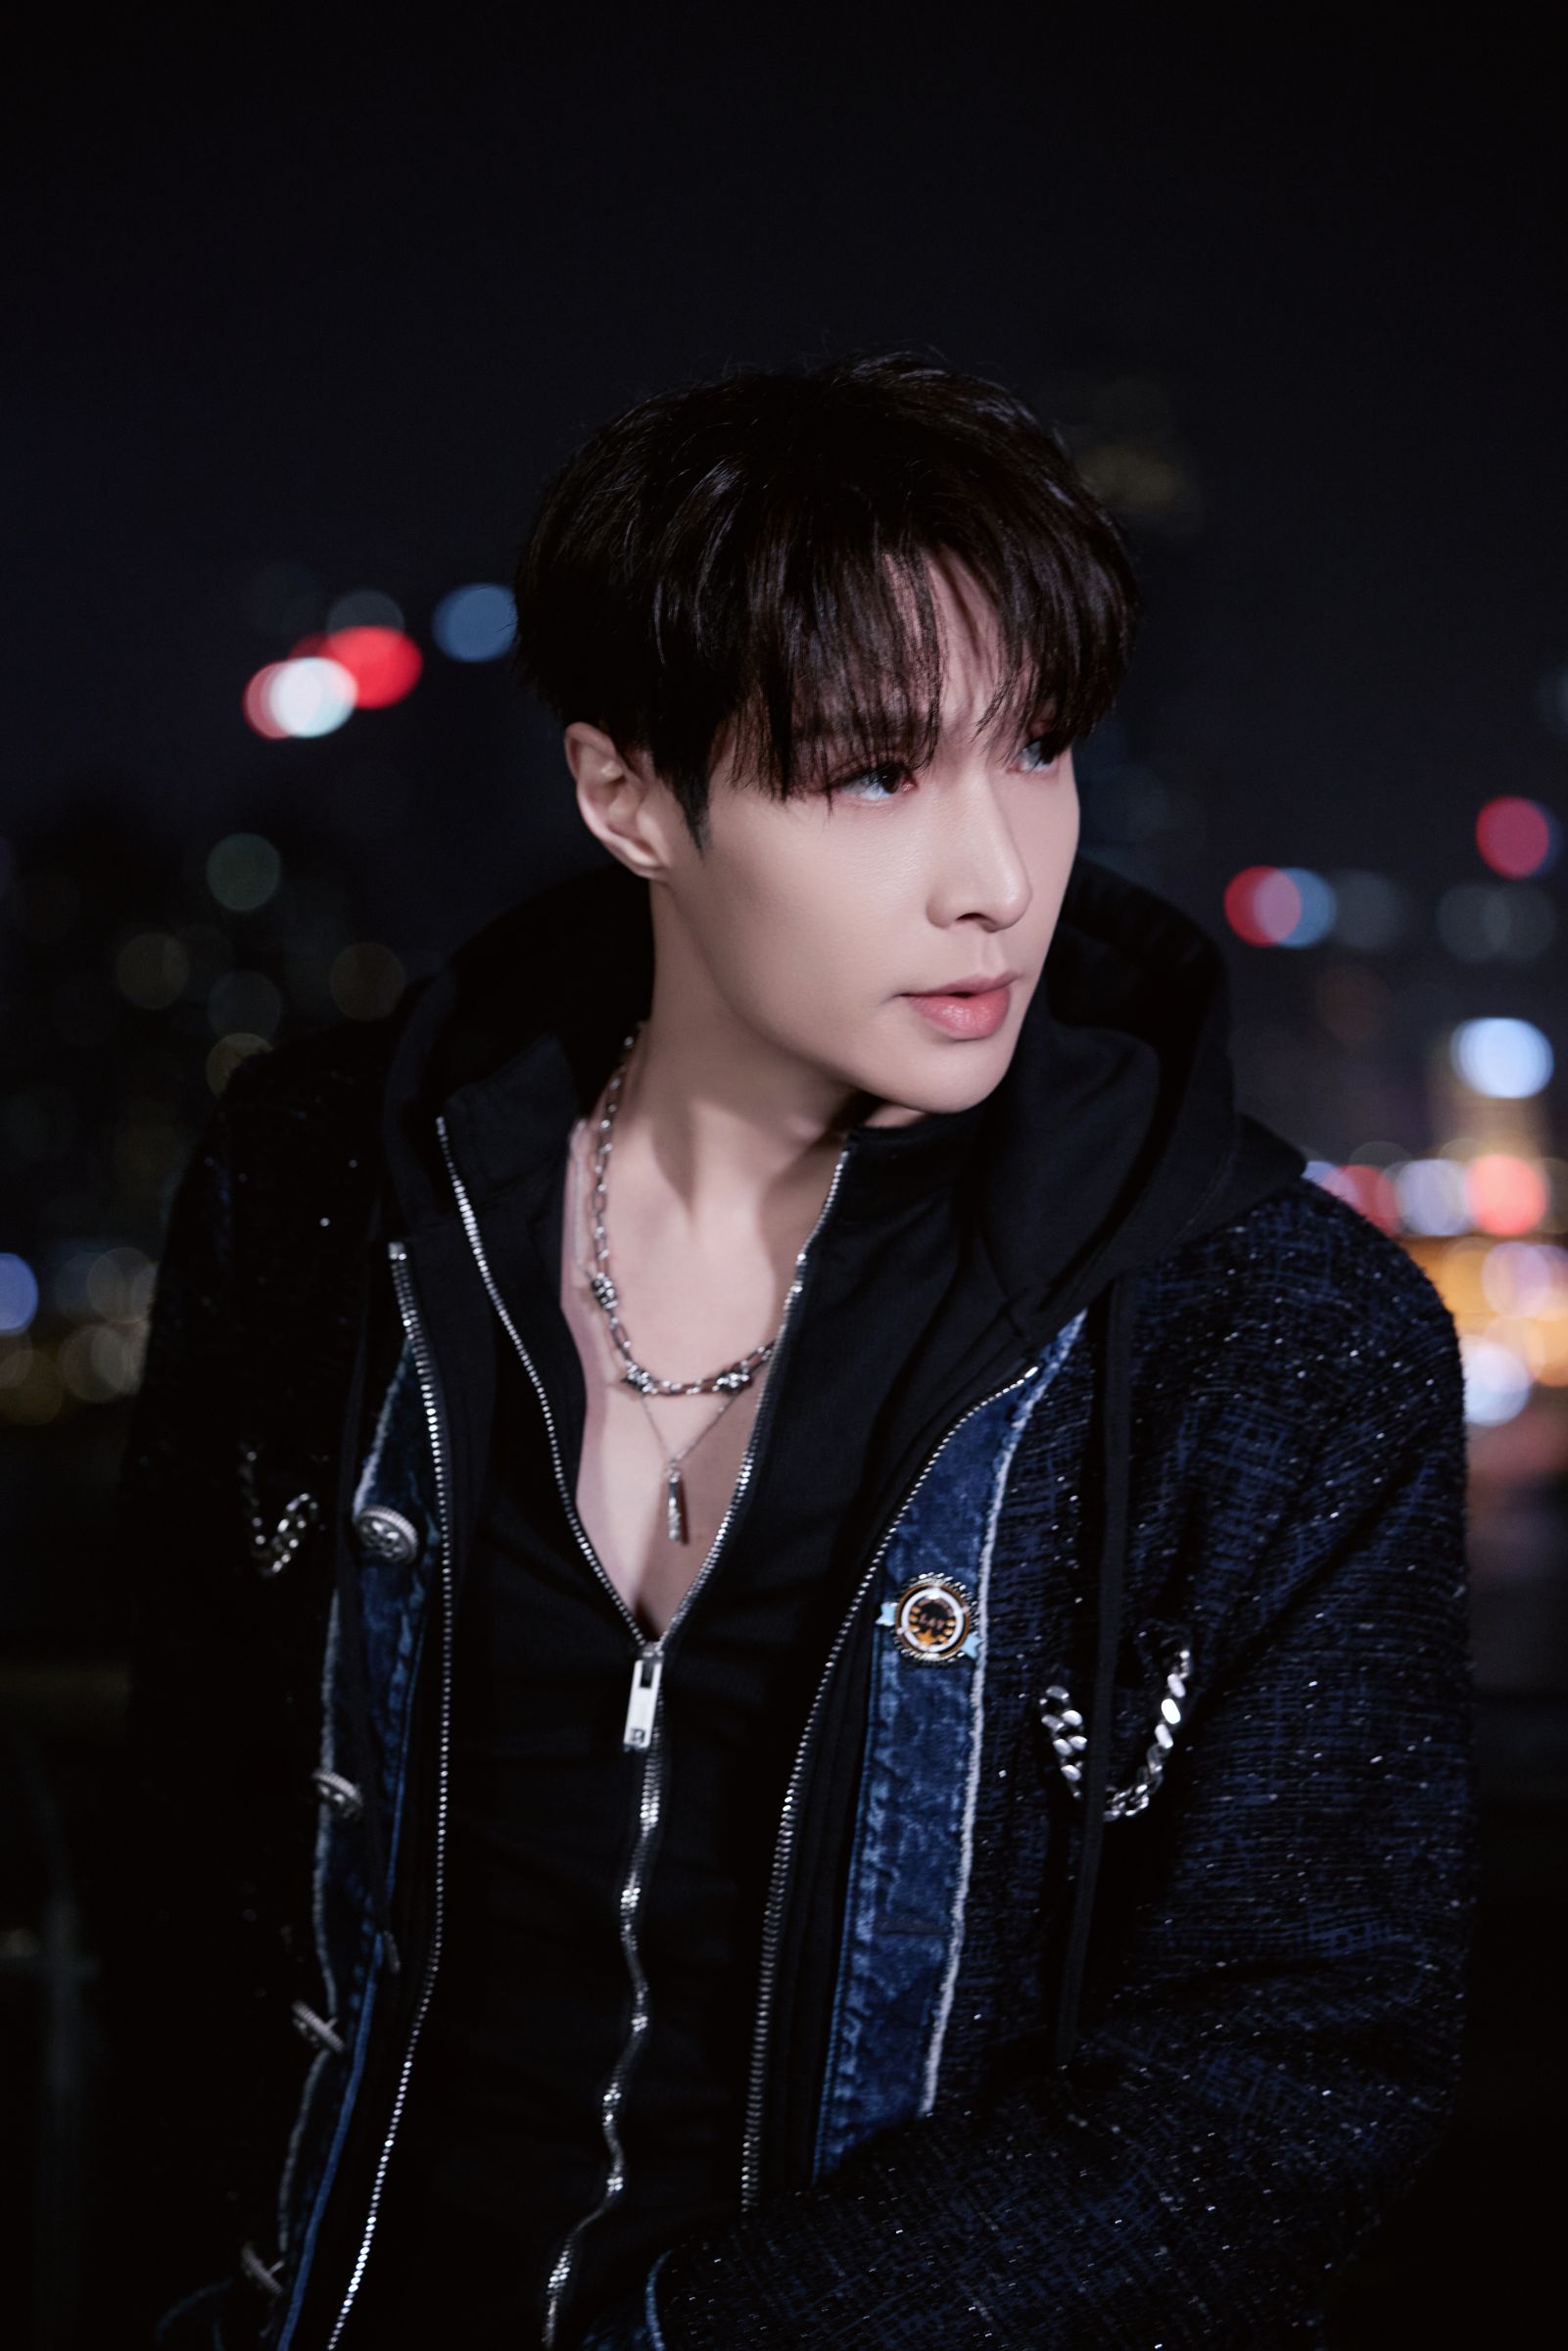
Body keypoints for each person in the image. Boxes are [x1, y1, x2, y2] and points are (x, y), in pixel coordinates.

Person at [115, 351, 1477, 2349]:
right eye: (872, 775)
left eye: (1038, 748)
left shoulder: (1275, 1336)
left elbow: (1297, 2068)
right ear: (626, 796)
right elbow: (194, 1853)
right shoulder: (321, 1193)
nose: (995, 877)